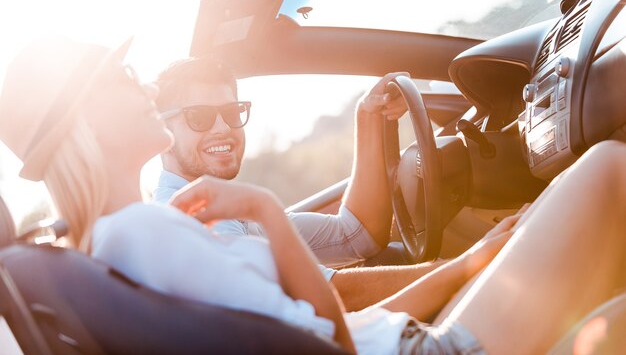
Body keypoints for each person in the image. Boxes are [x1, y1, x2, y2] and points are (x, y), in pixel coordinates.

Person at [2, 36, 626, 354]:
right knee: (606, 167)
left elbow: (345, 251)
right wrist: (263, 209)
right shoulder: (152, 230)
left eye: (232, 111)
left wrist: (468, 265)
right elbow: (328, 341)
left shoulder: (118, 242)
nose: (137, 80)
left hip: (398, 342)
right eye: (119, 76)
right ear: (85, 123)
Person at [152, 56, 451, 311]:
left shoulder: (231, 209)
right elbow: (333, 294)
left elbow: (356, 236)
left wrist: (367, 114)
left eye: (231, 112)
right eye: (199, 117)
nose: (223, 128)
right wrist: (466, 268)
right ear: (162, 132)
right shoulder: (195, 217)